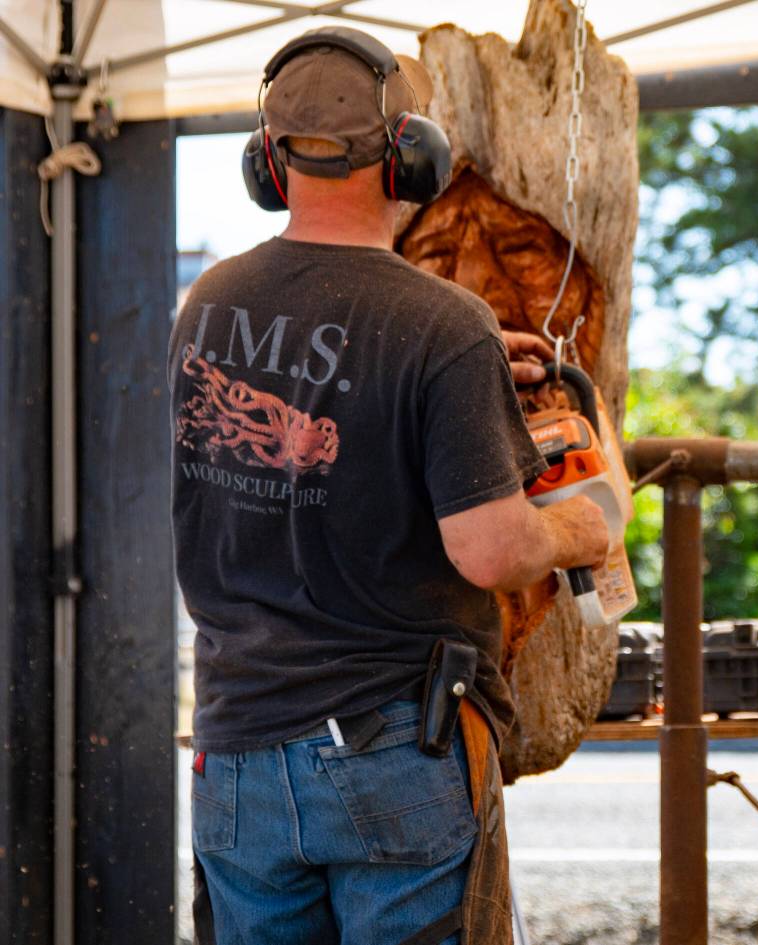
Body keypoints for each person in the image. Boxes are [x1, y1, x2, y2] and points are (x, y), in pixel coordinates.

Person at [168, 26, 609, 945]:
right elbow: (490, 549)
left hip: (235, 745)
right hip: (390, 749)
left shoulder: (205, 305)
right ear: (411, 155)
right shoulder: (441, 325)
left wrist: (474, 379)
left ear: (269, 163)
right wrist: (582, 533)